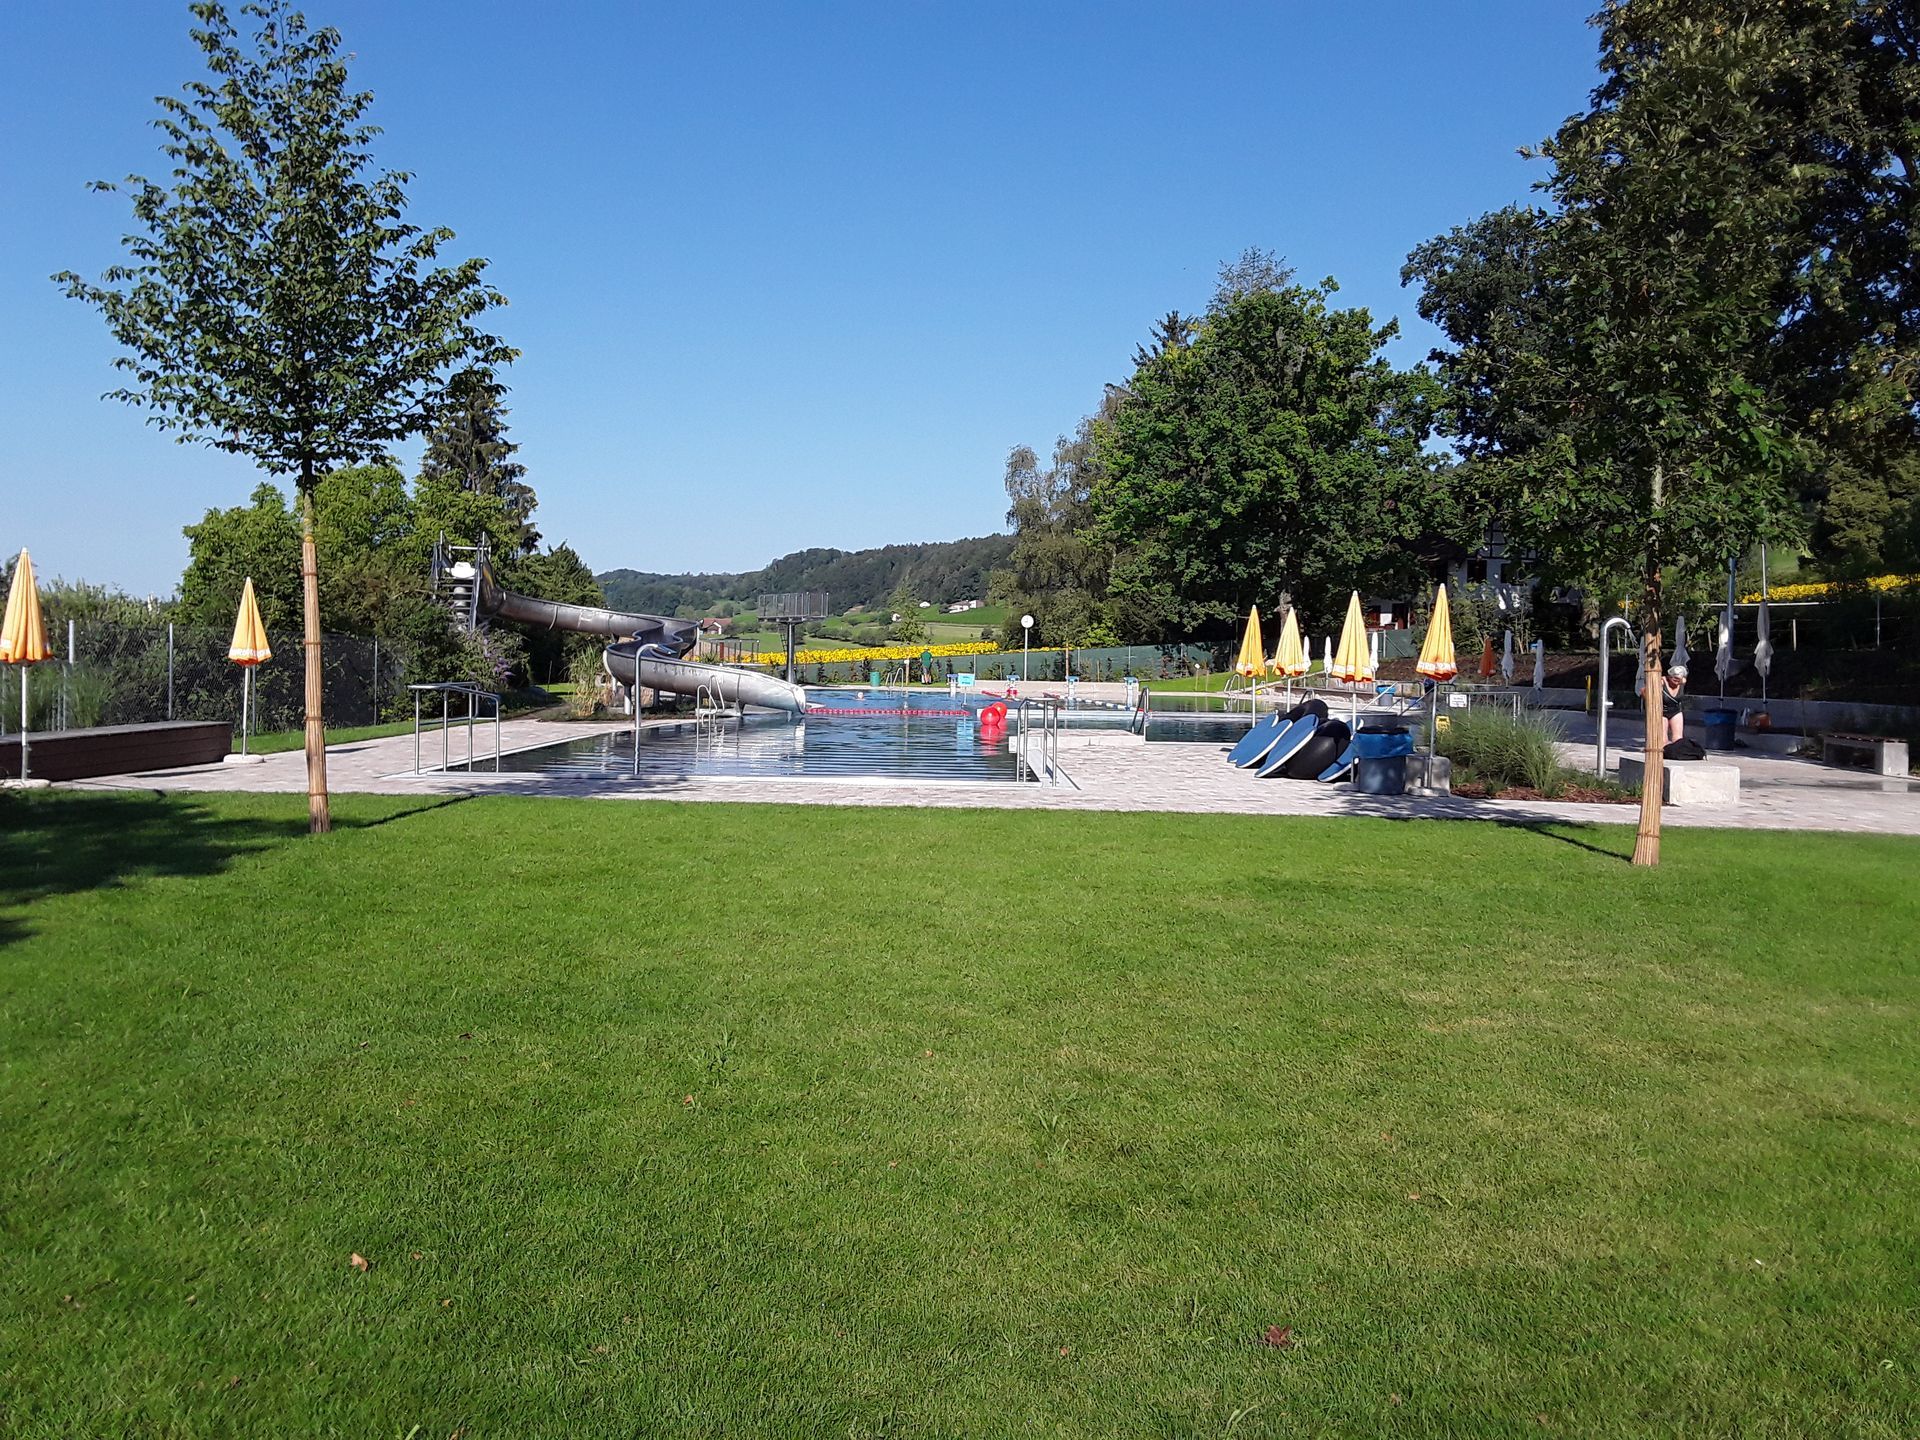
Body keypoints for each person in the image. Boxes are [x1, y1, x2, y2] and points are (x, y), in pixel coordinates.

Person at [1661, 663, 1688, 745]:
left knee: (1678, 739)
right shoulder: (1662, 682)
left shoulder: (1682, 681)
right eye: (1675, 678)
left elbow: (1683, 678)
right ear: (1669, 677)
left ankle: (1677, 751)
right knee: (1663, 739)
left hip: (1676, 711)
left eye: (1679, 679)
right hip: (1662, 712)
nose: (1677, 681)